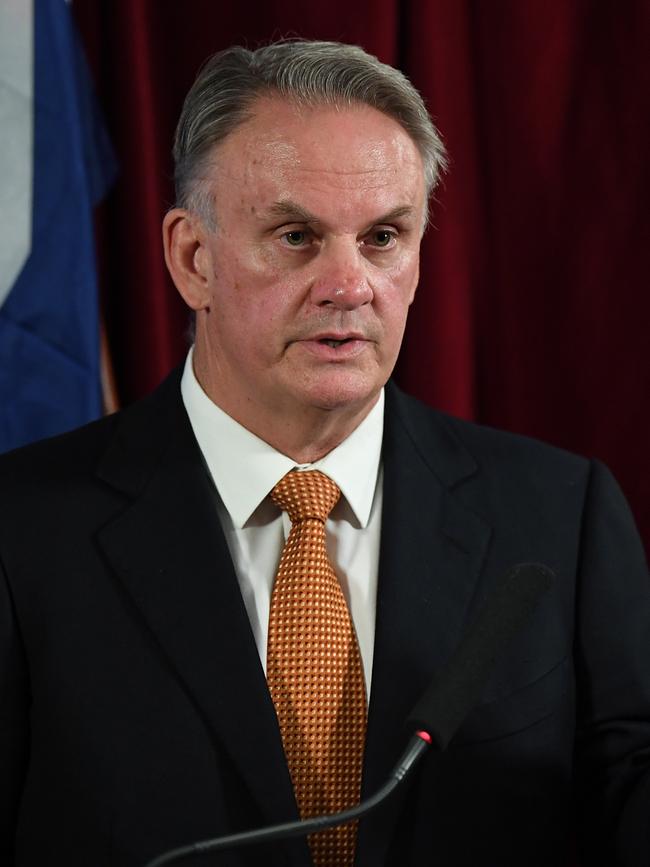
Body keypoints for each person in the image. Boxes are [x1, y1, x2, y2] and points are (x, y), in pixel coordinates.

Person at [1, 40, 649, 867]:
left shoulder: (561, 515)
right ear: (192, 258)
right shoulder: (22, 535)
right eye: (297, 236)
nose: (350, 284)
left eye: (383, 236)